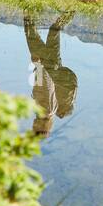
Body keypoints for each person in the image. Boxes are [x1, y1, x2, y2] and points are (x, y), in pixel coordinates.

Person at [25, 9, 78, 139]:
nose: (33, 124)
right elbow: (48, 88)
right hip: (45, 63)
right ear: (41, 126)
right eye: (35, 126)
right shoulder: (46, 110)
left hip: (53, 66)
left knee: (54, 30)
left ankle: (72, 9)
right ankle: (27, 6)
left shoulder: (47, 112)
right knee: (30, 30)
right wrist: (39, 66)